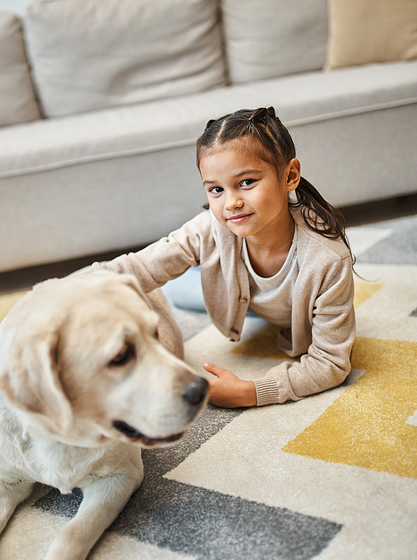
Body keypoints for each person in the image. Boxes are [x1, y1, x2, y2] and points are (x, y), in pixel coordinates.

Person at [80, 107, 355, 408]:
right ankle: (210, 277)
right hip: (240, 299)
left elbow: (331, 363)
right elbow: (142, 266)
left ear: (289, 176)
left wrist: (252, 391)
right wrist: (69, 288)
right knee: (171, 290)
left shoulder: (328, 260)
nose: (232, 203)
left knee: (176, 287)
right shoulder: (209, 229)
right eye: (216, 189)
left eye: (247, 182)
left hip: (282, 307)